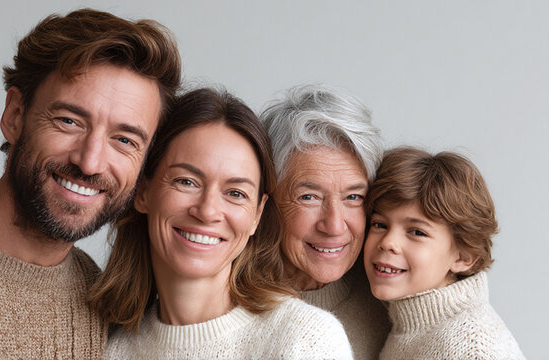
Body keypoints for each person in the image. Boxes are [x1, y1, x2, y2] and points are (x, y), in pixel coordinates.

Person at [0, 9, 181, 358]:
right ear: (15, 116)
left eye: (124, 140)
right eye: (69, 121)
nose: (89, 161)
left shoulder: (104, 311)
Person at [89, 88, 352, 359]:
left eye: (235, 193)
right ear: (143, 191)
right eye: (186, 182)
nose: (207, 211)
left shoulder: (306, 340)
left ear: (256, 215)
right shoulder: (113, 349)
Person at [259, 84, 389, 359]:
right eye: (309, 197)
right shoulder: (224, 306)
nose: (334, 226)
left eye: (353, 196)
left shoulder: (391, 301)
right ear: (267, 199)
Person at [363, 147, 525, 360]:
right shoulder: (408, 327)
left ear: (464, 257)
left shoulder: (473, 350)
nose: (388, 242)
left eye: (417, 232)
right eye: (380, 224)